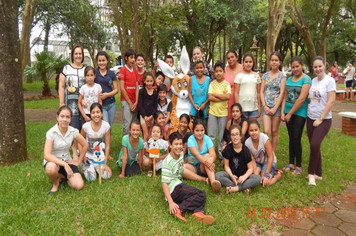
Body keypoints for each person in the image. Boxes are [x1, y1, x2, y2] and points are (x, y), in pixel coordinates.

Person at [161, 132, 215, 224]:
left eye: (180, 144)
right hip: (174, 190)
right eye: (176, 144)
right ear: (170, 145)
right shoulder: (168, 161)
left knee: (196, 195)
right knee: (200, 194)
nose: (178, 147)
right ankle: (179, 209)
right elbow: (164, 183)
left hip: (179, 185)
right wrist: (170, 202)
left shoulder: (181, 154)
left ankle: (198, 212)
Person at [43, 105, 88, 194]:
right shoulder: (51, 132)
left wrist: (78, 161)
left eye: (67, 117)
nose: (64, 119)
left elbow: (85, 145)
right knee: (51, 168)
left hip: (67, 160)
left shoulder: (73, 131)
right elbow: (47, 155)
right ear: (57, 118)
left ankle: (62, 176)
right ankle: (55, 183)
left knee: (79, 185)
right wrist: (64, 164)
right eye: (62, 116)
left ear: (70, 119)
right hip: (53, 162)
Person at [307, 56, 336, 186]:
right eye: (315, 67)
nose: (318, 69)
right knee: (315, 146)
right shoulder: (312, 81)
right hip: (310, 117)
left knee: (314, 145)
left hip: (323, 120)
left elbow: (331, 101)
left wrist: (320, 118)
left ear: (324, 65)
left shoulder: (329, 81)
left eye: (320, 66)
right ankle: (319, 173)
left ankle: (311, 174)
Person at [281, 56, 312, 176]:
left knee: (296, 137)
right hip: (288, 112)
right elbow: (284, 96)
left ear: (302, 65)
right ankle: (291, 163)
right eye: (293, 67)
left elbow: (301, 99)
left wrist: (290, 113)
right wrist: (283, 112)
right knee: (290, 137)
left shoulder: (306, 79)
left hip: (299, 113)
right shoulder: (289, 79)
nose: (295, 69)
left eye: (297, 66)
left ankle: (298, 165)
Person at [215, 125, 261, 194]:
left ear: (241, 136)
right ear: (230, 137)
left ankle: (235, 188)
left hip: (243, 177)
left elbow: (250, 169)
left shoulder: (245, 150)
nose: (235, 137)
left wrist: (244, 177)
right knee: (217, 175)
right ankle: (242, 187)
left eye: (237, 134)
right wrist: (232, 176)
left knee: (257, 178)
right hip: (231, 175)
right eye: (232, 135)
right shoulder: (228, 148)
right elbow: (226, 166)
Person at [183, 119, 221, 193]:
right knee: (181, 169)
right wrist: (209, 163)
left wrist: (211, 159)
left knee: (207, 155)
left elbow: (213, 154)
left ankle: (213, 182)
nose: (200, 133)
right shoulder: (190, 139)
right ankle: (204, 179)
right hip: (192, 166)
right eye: (197, 131)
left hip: (203, 166)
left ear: (204, 130)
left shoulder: (207, 139)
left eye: (202, 130)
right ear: (193, 131)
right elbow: (196, 155)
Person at [260, 52, 286, 152]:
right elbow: (261, 91)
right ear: (270, 62)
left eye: (276, 60)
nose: (274, 62)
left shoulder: (282, 77)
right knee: (266, 131)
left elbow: (282, 93)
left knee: (274, 131)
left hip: (277, 108)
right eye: (272, 60)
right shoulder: (265, 76)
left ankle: (272, 154)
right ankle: (266, 152)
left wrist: (275, 108)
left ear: (280, 62)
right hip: (266, 107)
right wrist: (264, 106)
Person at [245, 120, 283, 187]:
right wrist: (254, 172)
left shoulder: (264, 138)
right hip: (258, 162)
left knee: (265, 182)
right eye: (251, 130)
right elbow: (252, 160)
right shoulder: (247, 143)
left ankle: (278, 175)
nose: (254, 133)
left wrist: (266, 174)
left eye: (256, 130)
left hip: (268, 161)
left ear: (259, 130)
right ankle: (269, 173)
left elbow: (271, 157)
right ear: (248, 132)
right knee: (255, 177)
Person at [80, 103, 112, 181]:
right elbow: (79, 142)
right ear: (90, 114)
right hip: (88, 156)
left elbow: (107, 146)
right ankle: (86, 166)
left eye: (98, 112)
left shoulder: (106, 126)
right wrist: (82, 156)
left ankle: (95, 167)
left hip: (99, 157)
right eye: (93, 112)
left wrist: (105, 163)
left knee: (107, 175)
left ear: (101, 114)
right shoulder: (85, 126)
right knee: (91, 179)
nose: (95, 115)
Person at [59, 45, 86, 131]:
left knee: (84, 128)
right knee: (72, 128)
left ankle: (83, 144)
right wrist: (61, 102)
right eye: (76, 54)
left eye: (80, 54)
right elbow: (61, 86)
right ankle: (74, 145)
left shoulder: (86, 70)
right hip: (71, 103)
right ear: (72, 55)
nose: (78, 56)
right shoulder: (66, 68)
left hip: (84, 104)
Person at [208, 62, 231, 162]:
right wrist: (222, 97)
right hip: (212, 112)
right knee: (211, 135)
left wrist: (215, 95)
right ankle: (212, 154)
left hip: (223, 114)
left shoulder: (226, 84)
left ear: (223, 72)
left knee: (222, 136)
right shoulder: (212, 83)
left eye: (220, 71)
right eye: (216, 71)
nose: (218, 73)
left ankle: (222, 154)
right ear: (214, 73)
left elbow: (228, 96)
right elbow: (210, 97)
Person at [94, 51, 118, 134]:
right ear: (97, 61)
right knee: (105, 125)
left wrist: (107, 95)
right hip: (101, 105)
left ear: (107, 61)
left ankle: (107, 145)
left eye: (103, 60)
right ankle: (102, 146)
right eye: (99, 61)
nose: (102, 63)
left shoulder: (111, 74)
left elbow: (116, 89)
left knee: (110, 127)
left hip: (111, 104)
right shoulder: (94, 73)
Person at [234, 53, 261, 121]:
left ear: (253, 63)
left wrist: (259, 107)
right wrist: (237, 108)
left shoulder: (256, 76)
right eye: (246, 62)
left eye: (250, 62)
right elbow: (236, 93)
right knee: (243, 129)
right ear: (243, 63)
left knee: (252, 129)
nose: (248, 64)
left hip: (253, 107)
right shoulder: (239, 76)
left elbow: (258, 93)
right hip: (242, 107)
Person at [119, 48, 139, 136]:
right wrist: (130, 103)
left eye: (134, 58)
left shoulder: (135, 70)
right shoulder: (123, 70)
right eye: (131, 57)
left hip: (134, 102)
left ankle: (133, 146)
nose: (133, 60)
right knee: (127, 125)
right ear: (126, 58)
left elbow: (137, 87)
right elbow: (122, 88)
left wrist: (136, 102)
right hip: (126, 101)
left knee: (133, 125)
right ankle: (124, 147)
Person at [138, 72, 158, 141]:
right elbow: (140, 105)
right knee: (146, 135)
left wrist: (151, 116)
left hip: (152, 116)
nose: (149, 83)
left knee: (151, 134)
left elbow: (155, 106)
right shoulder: (141, 92)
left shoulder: (155, 93)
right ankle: (144, 151)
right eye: (147, 81)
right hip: (144, 116)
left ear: (153, 81)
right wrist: (145, 117)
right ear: (144, 81)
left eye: (151, 81)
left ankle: (151, 150)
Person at [224, 49, 243, 119]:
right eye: (228, 58)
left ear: (237, 58)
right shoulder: (224, 70)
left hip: (242, 97)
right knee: (229, 121)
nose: (230, 59)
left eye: (232, 57)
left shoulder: (243, 68)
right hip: (229, 99)